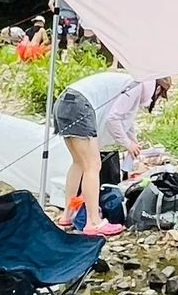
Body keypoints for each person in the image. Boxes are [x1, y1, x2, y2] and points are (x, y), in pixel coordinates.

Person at [53, 68, 164, 237]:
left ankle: (67, 214)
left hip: (64, 101)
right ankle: (93, 222)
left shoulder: (130, 81)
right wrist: (127, 144)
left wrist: (132, 142)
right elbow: (114, 118)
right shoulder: (136, 85)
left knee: (79, 163)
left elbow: (124, 118)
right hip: (79, 105)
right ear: (156, 89)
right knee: (93, 165)